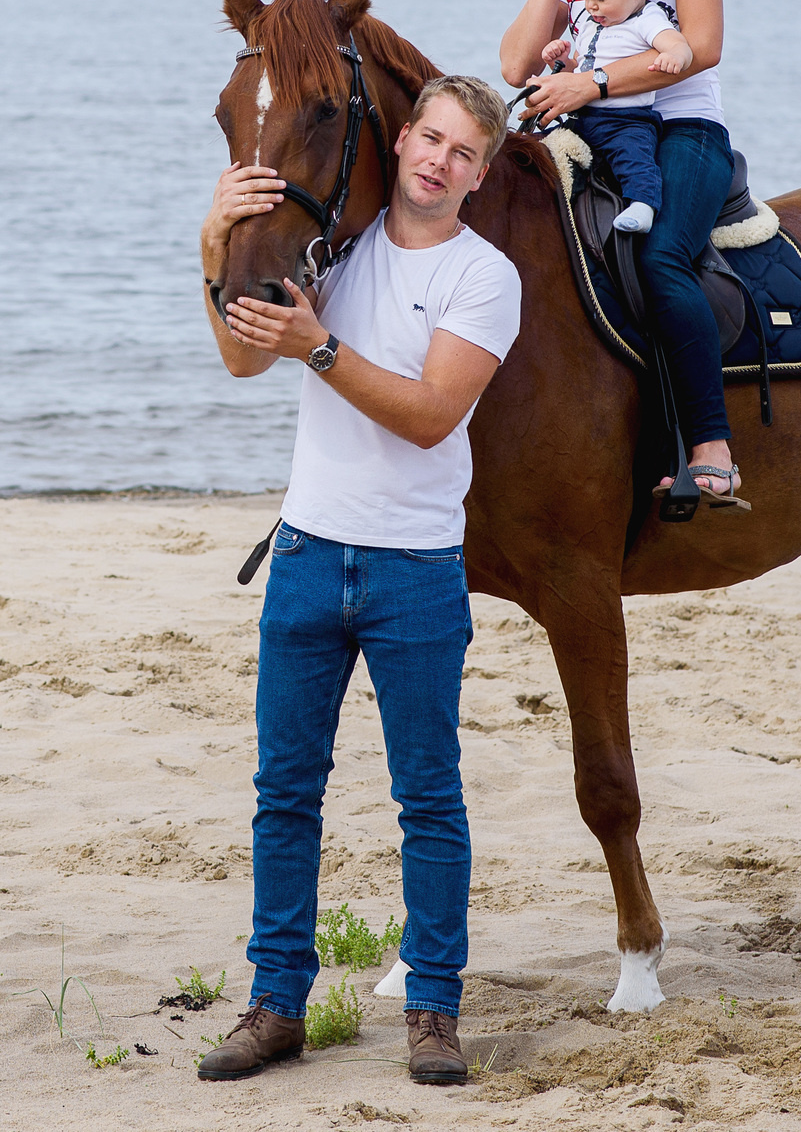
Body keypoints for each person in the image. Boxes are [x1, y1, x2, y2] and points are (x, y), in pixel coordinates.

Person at [195, 74, 522, 1088]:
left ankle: (433, 1009)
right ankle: (275, 1003)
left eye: (463, 151)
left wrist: (321, 345)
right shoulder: (332, 245)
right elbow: (242, 361)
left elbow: (430, 413)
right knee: (283, 793)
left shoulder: (484, 275)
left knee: (427, 796)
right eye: (429, 137)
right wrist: (212, 240)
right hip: (303, 555)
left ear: (480, 170)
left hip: (415, 567)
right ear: (405, 136)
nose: (438, 160)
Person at [498, 0, 747, 511]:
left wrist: (592, 85)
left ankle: (710, 443)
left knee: (661, 255)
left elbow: (701, 45)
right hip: (590, 128)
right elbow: (516, 66)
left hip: (680, 129)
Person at [537, 0, 692, 233]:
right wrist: (562, 60)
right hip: (584, 114)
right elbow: (581, 68)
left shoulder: (646, 19)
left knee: (633, 159)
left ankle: (644, 205)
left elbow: (680, 45)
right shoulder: (594, 22)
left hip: (627, 119)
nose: (592, 5)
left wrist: (674, 57)